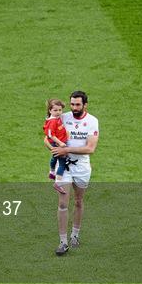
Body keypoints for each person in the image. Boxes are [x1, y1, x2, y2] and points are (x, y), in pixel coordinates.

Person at [49, 90, 99, 256]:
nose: (74, 107)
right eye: (72, 104)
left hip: (82, 167)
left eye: (78, 104)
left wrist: (67, 149)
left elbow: (90, 148)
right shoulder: (63, 117)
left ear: (85, 105)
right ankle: (63, 242)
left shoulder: (92, 121)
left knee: (78, 201)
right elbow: (48, 136)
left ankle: (75, 235)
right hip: (64, 168)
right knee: (63, 203)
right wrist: (53, 149)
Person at [43, 99, 69, 194]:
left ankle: (52, 172)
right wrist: (60, 143)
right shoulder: (52, 121)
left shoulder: (56, 119)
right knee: (62, 163)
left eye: (60, 110)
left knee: (54, 157)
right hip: (58, 143)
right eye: (55, 110)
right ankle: (58, 183)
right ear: (50, 110)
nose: (58, 112)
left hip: (58, 142)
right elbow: (50, 135)